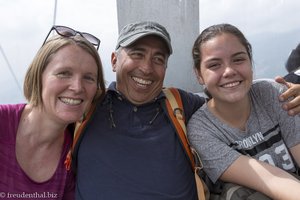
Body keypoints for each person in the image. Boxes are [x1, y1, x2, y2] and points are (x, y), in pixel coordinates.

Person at [75, 21, 300, 200]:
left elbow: (228, 98)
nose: (146, 67)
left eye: (158, 58)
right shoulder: (85, 105)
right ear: (114, 60)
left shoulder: (181, 105)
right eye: (137, 54)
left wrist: (293, 90)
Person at [187, 23, 300, 199]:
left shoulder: (271, 93)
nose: (229, 71)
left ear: (250, 62)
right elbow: (270, 179)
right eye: (214, 65)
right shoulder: (202, 130)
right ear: (199, 75)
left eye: (238, 59)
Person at [0, 25, 105, 200]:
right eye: (64, 73)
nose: (77, 87)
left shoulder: (76, 154)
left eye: (88, 78)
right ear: (38, 76)